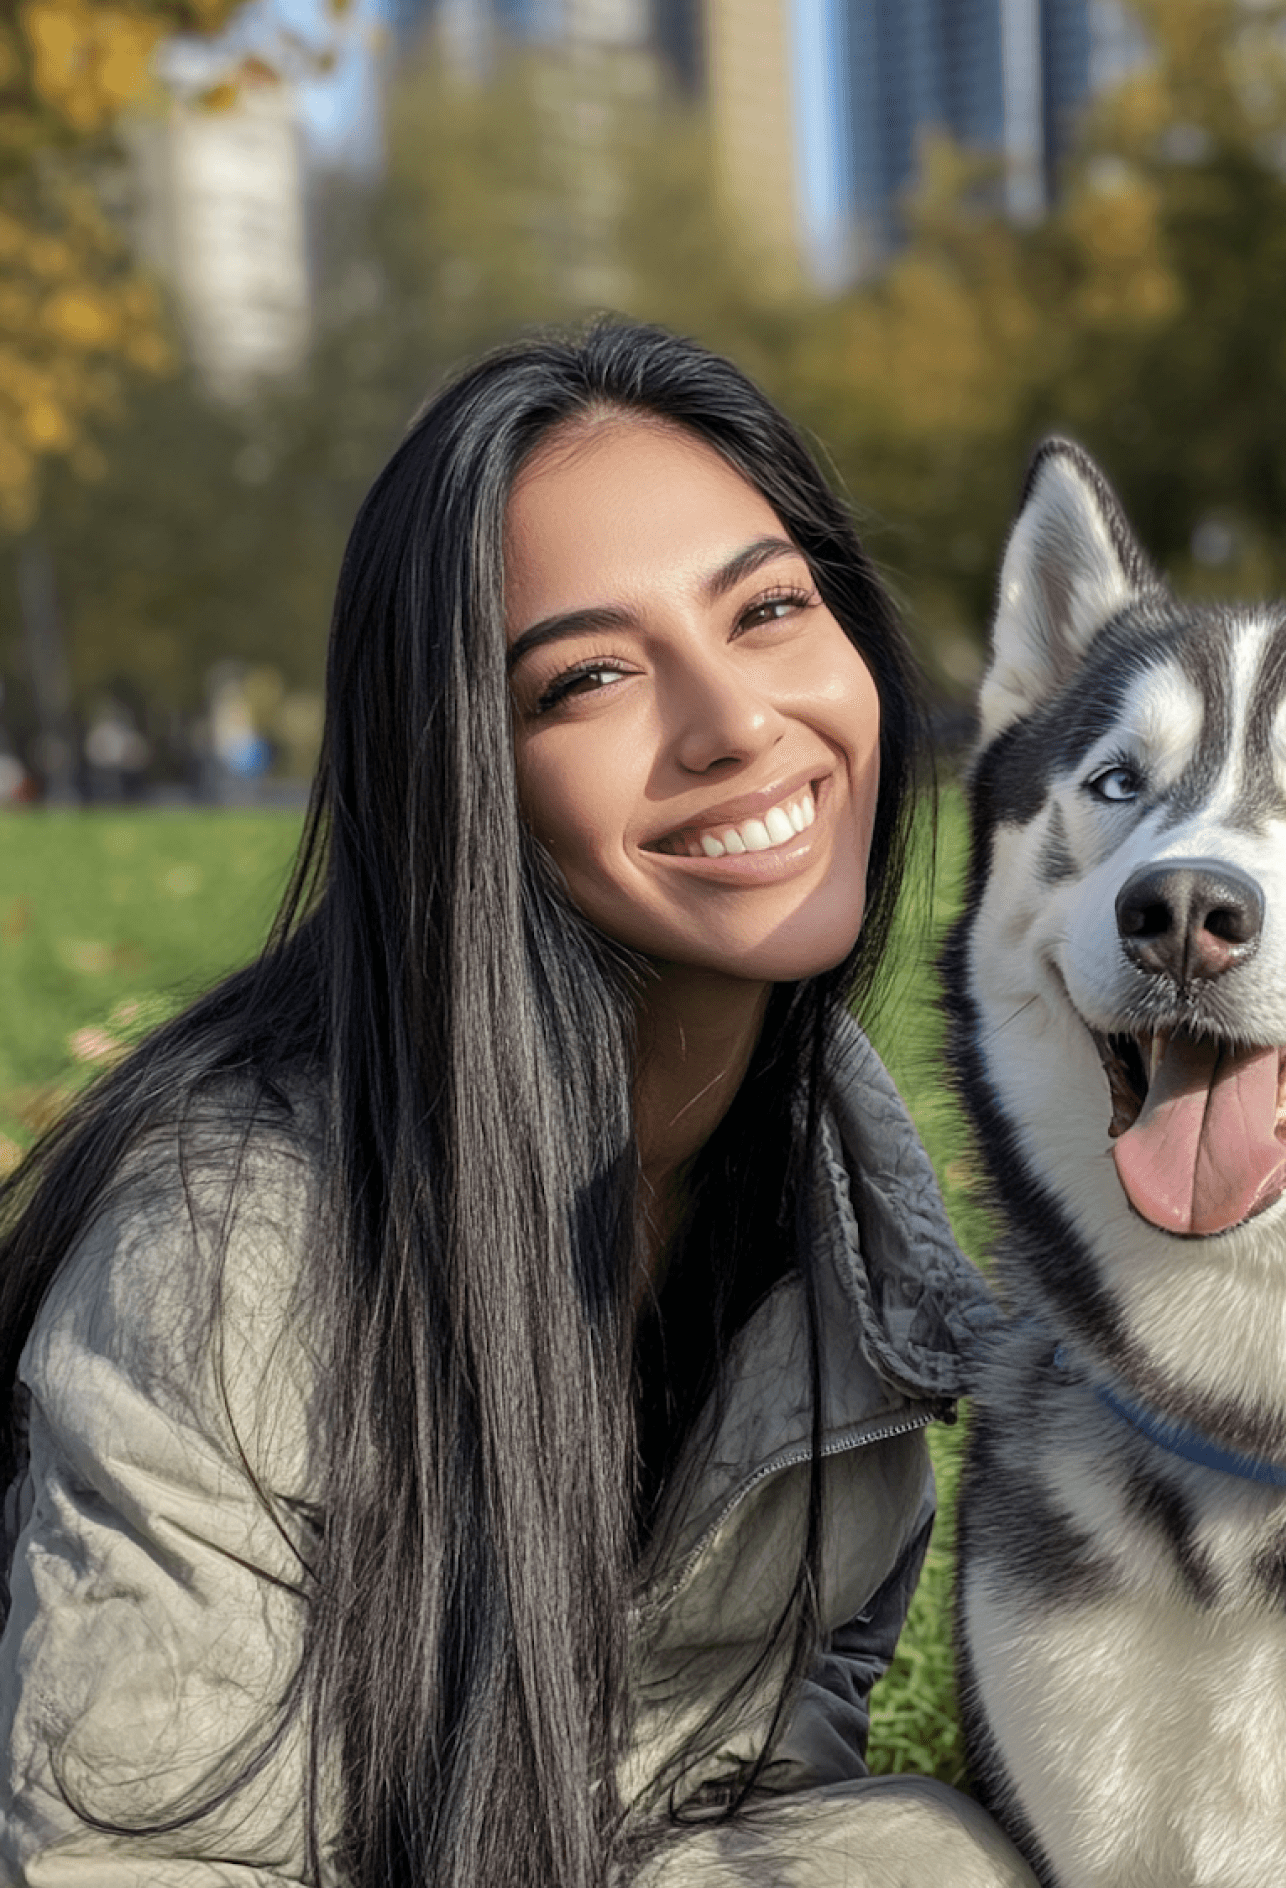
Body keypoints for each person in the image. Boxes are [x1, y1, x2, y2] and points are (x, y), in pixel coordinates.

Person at [0, 323, 1040, 1887]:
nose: (735, 721)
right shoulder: (234, 1245)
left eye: (768, 609)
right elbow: (134, 1861)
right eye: (590, 677)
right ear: (458, 775)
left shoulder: (836, 1201)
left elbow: (767, 1748)